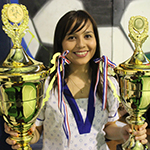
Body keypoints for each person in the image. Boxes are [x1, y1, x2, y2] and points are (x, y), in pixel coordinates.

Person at [5, 10, 148, 150]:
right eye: (72, 37)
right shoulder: (47, 85)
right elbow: (37, 133)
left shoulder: (108, 84)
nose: (81, 44)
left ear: (95, 40)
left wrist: (122, 132)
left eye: (87, 36)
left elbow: (108, 127)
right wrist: (24, 134)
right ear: (61, 43)